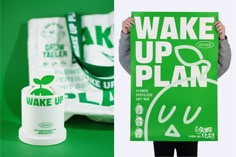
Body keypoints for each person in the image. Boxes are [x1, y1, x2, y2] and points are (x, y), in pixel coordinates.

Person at [119, 17, 231, 157]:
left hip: (189, 123)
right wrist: (126, 35)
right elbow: (128, 62)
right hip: (161, 124)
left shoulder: (196, 72)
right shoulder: (152, 71)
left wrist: (222, 39)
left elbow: (221, 65)